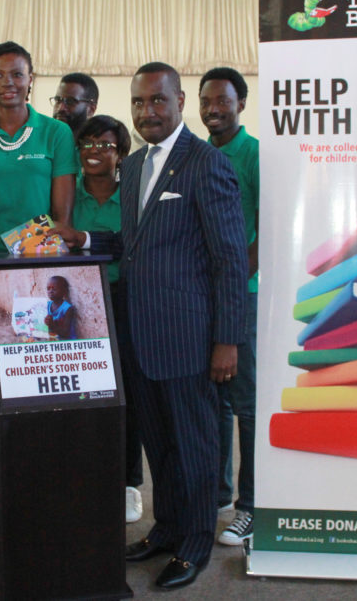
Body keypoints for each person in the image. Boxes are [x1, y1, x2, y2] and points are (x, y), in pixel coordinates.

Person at [52, 62, 248, 590]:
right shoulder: (134, 166)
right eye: (138, 103)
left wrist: (227, 340)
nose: (147, 112)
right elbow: (131, 245)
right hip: (140, 336)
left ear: (181, 100)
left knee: (195, 446)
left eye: (158, 101)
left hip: (190, 339)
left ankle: (194, 544)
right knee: (159, 445)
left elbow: (230, 259)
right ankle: (166, 529)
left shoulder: (207, 165)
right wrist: (86, 242)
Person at [0, 41, 78, 479]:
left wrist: (45, 266)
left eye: (18, 74)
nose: (9, 83)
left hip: (40, 277)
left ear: (31, 80)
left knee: (37, 375)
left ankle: (39, 468)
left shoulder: (55, 134)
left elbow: (63, 217)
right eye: (0, 75)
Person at [71, 114, 145, 523]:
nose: (95, 151)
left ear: (121, 154)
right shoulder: (66, 194)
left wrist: (80, 239)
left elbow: (128, 246)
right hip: (78, 304)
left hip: (123, 299)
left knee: (126, 395)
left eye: (105, 145)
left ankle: (129, 483)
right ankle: (89, 475)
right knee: (83, 393)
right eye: (87, 143)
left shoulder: (134, 193)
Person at [199, 67, 260, 547]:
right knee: (213, 400)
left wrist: (235, 284)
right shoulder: (197, 155)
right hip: (200, 297)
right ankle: (217, 494)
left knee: (245, 402)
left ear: (240, 103)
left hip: (241, 295)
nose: (214, 109)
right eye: (207, 101)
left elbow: (268, 224)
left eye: (223, 101)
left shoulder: (254, 154)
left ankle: (251, 507)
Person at [44, 276, 76, 340]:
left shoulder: (67, 308)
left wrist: (52, 325)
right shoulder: (47, 305)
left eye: (54, 289)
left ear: (64, 291)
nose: (50, 291)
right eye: (48, 288)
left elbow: (65, 333)